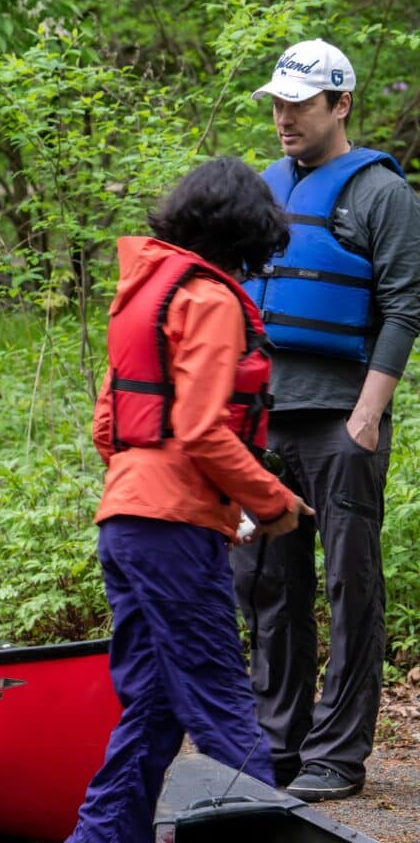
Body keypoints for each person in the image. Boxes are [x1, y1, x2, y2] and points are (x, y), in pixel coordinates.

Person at [66, 156, 313, 842]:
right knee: (225, 706)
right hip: (172, 532)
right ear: (251, 231)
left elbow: (106, 427)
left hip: (124, 523)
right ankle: (261, 836)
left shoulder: (144, 288)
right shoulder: (210, 299)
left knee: (151, 708)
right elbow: (204, 430)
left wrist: (156, 488)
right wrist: (271, 502)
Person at [232, 39, 420, 801]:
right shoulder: (263, 188)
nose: (284, 118)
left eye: (300, 105)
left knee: (350, 587)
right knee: (266, 585)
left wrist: (367, 417)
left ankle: (338, 754)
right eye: (277, 103)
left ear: (340, 105)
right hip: (266, 424)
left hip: (342, 423)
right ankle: (280, 744)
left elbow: (406, 306)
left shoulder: (381, 195)